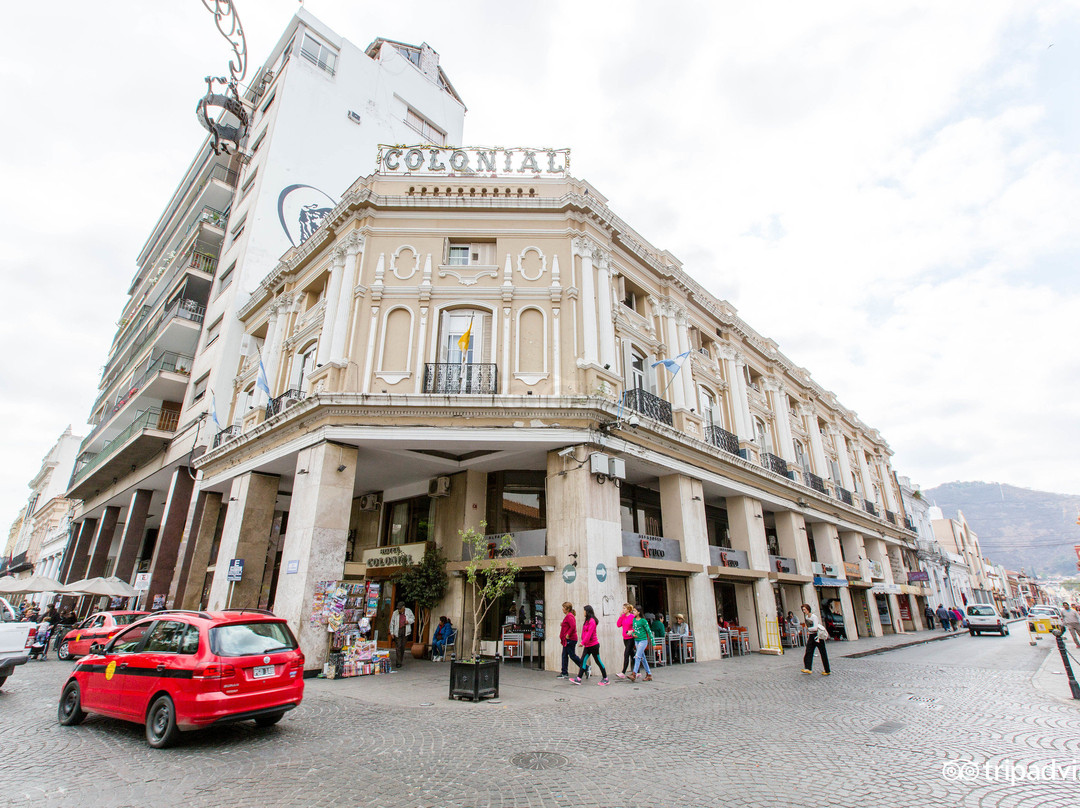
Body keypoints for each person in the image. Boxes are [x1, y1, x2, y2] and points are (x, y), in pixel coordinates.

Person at [571, 604, 609, 685]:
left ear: (587, 611)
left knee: (598, 661)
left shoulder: (592, 621)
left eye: (584, 611)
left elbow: (589, 633)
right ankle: (578, 678)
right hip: (588, 645)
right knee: (583, 660)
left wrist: (583, 642)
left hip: (593, 645)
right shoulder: (587, 620)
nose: (583, 612)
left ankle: (605, 678)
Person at [800, 603, 830, 676]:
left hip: (817, 636)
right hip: (811, 635)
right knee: (808, 651)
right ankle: (808, 668)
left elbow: (815, 627)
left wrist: (808, 629)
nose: (804, 611)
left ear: (808, 609)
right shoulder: (807, 617)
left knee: (823, 653)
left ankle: (827, 670)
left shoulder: (814, 617)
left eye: (804, 609)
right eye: (803, 610)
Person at [557, 602, 583, 680]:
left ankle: (584, 667)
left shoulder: (569, 616)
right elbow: (569, 625)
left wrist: (568, 633)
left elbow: (573, 626)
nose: (562, 609)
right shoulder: (568, 616)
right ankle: (564, 672)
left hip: (570, 639)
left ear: (567, 609)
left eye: (563, 607)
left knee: (572, 655)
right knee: (565, 655)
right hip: (567, 640)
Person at [628, 606, 654, 682]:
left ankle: (634, 674)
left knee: (637, 656)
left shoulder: (643, 621)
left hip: (643, 640)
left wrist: (653, 642)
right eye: (633, 611)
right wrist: (633, 634)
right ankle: (649, 674)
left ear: (639, 612)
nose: (633, 612)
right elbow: (634, 629)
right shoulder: (634, 620)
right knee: (643, 658)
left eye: (635, 611)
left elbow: (648, 631)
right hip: (637, 640)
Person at [388, 602, 415, 668]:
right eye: (398, 609)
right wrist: (391, 632)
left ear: (403, 608)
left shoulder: (408, 611)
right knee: (398, 646)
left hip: (405, 630)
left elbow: (413, 619)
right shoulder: (395, 613)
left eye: (400, 609)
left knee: (402, 646)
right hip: (398, 630)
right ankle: (398, 662)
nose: (399, 610)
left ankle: (400, 659)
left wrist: (408, 621)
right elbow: (392, 623)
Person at [616, 602, 635, 679]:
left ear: (628, 609)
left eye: (624, 608)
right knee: (632, 654)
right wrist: (620, 616)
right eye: (623, 608)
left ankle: (623, 672)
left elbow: (636, 626)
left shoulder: (632, 617)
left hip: (630, 638)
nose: (623, 610)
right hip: (625, 638)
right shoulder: (623, 616)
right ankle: (638, 671)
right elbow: (618, 625)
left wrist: (632, 631)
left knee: (626, 654)